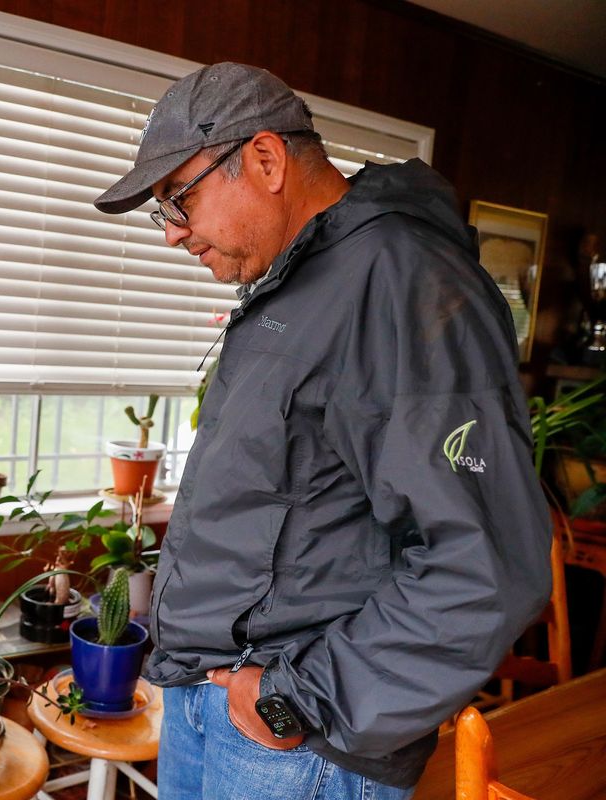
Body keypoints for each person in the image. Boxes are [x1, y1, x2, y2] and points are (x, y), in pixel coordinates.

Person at [94, 63, 551, 799]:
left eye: (180, 199)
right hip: (210, 700)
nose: (173, 234)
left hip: (295, 741)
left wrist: (294, 699)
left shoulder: (403, 281)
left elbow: (487, 561)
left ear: (267, 161)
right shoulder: (293, 278)